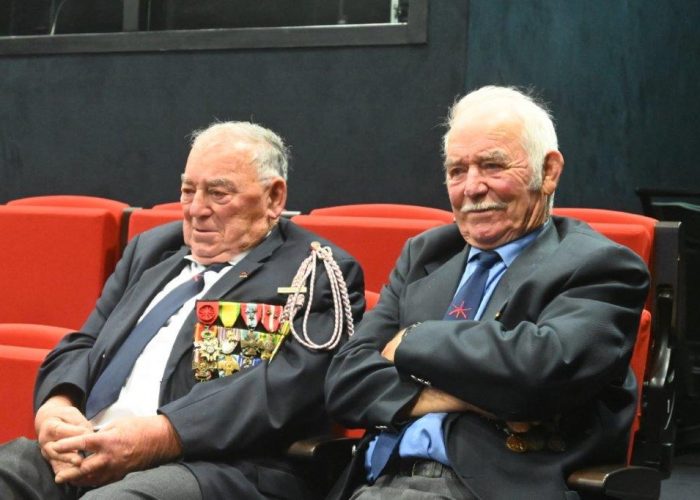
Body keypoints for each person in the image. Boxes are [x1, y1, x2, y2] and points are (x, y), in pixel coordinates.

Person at [0, 121, 365, 499]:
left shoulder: (314, 272)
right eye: (188, 191)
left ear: (274, 198)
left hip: (216, 467)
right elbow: (85, 343)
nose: (196, 209)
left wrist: (162, 435)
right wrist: (57, 406)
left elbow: (284, 392)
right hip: (92, 445)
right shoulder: (152, 251)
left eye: (218, 194)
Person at [324, 86, 650, 500]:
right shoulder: (426, 254)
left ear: (549, 172)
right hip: (375, 479)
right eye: (457, 171)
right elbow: (345, 382)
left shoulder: (600, 265)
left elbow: (540, 373)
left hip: (488, 486)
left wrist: (413, 338)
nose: (472, 188)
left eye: (493, 166)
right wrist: (464, 397)